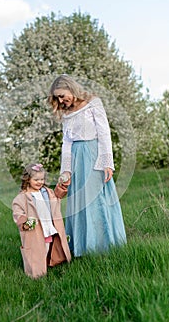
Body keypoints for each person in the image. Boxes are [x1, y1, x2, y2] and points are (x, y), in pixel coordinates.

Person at [48, 74, 127, 257]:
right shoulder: (66, 113)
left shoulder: (93, 103)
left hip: (92, 155)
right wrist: (65, 171)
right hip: (75, 158)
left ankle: (104, 246)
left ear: (71, 88)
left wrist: (107, 163)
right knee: (79, 202)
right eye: (57, 97)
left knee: (97, 199)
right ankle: (83, 247)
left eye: (62, 95)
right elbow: (66, 143)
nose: (61, 100)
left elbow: (104, 133)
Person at [12, 163, 71, 278]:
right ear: (28, 179)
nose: (40, 182)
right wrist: (25, 222)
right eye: (36, 180)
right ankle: (37, 272)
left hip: (47, 225)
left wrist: (61, 187)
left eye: (42, 179)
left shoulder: (46, 192)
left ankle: (48, 263)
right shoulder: (22, 197)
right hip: (36, 229)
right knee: (36, 250)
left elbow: (56, 197)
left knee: (48, 246)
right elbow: (18, 212)